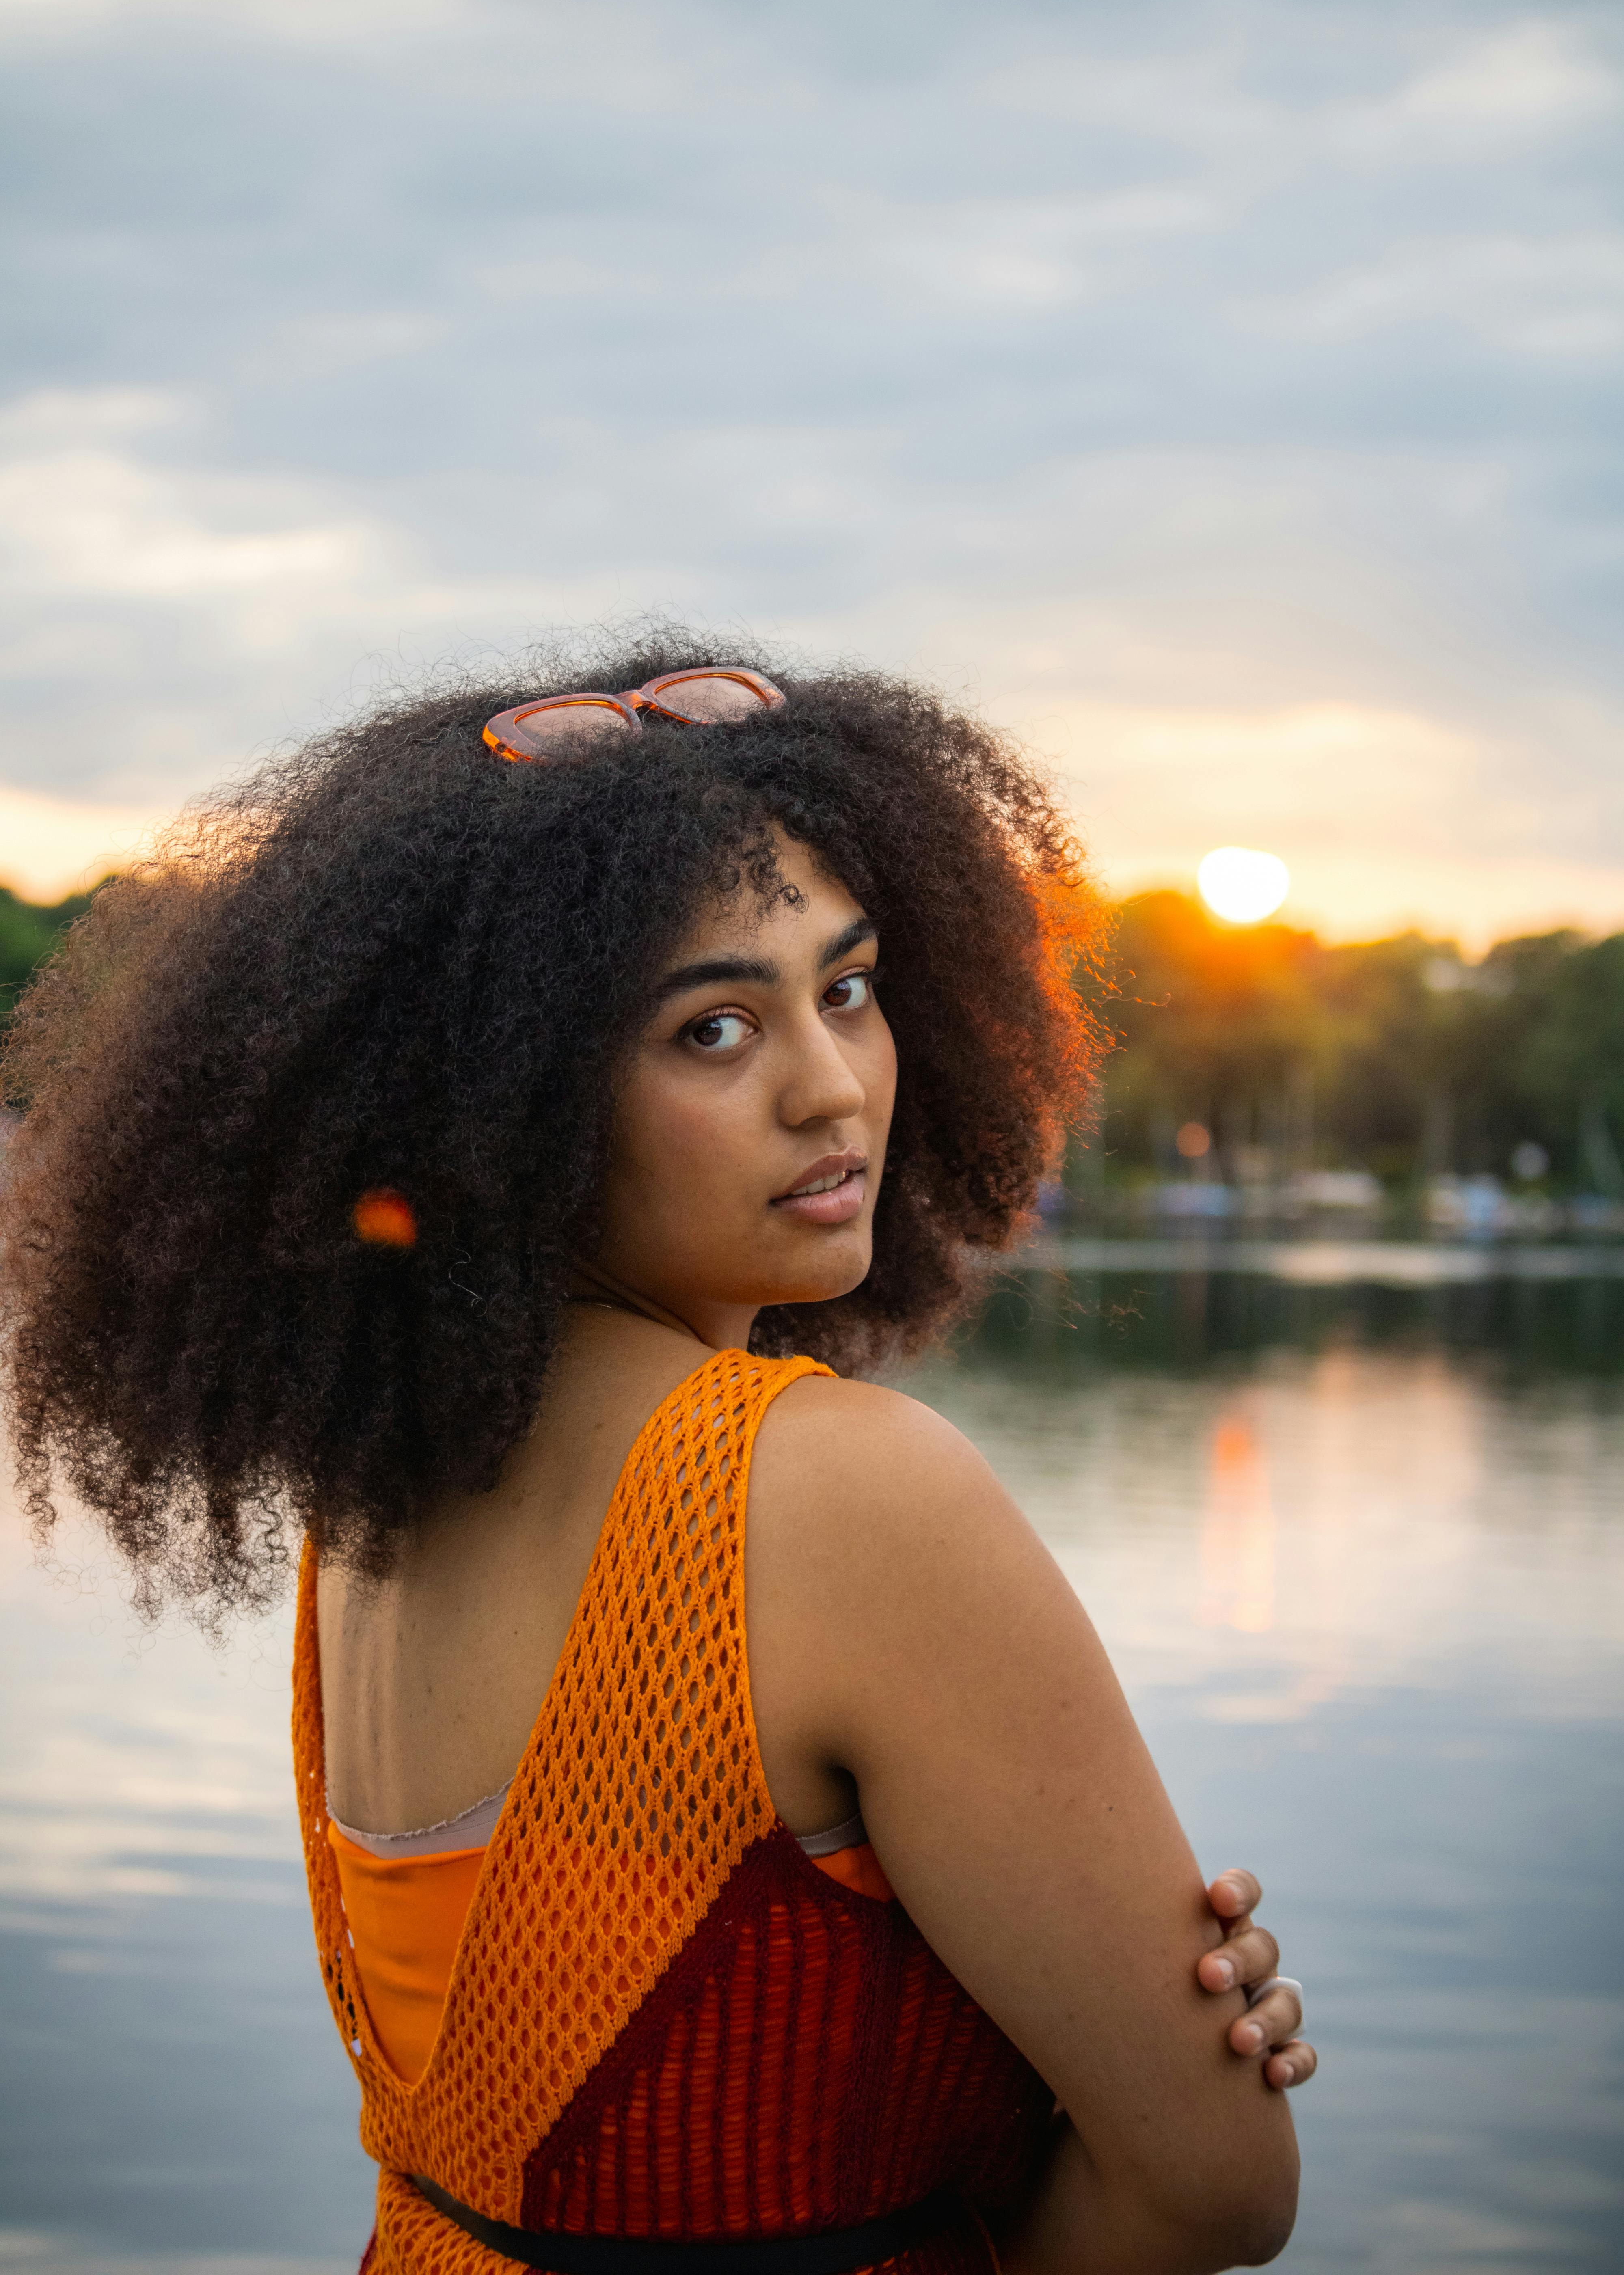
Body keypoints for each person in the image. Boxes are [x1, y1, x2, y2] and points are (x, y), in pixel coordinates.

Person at [1, 646, 1312, 2275]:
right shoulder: (836, 1497)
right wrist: (1087, 2066)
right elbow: (1219, 2191)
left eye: (847, 988)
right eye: (709, 1031)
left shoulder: (383, 1497)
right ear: (505, 1101)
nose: (831, 1087)